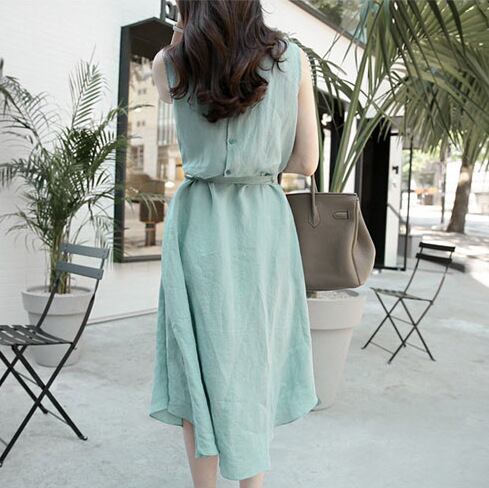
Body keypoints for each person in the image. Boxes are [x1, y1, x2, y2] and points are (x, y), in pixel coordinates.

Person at [150, 1, 320, 487]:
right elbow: (306, 161)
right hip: (263, 225)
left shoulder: (170, 62)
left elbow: (171, 78)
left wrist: (184, 28)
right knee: (255, 360)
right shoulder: (292, 60)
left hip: (199, 224)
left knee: (197, 364)